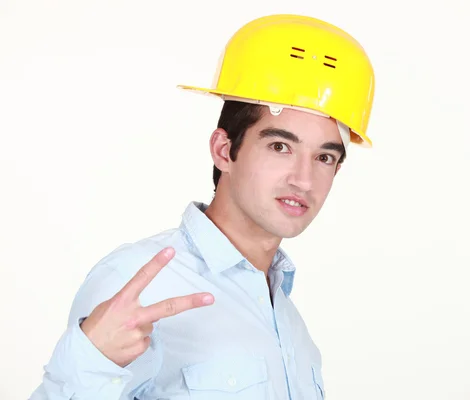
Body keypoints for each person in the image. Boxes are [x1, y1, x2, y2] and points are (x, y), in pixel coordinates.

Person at [30, 13, 375, 400]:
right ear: (224, 150)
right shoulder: (138, 284)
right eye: (280, 147)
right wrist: (89, 365)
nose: (303, 179)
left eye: (324, 158)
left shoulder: (290, 324)